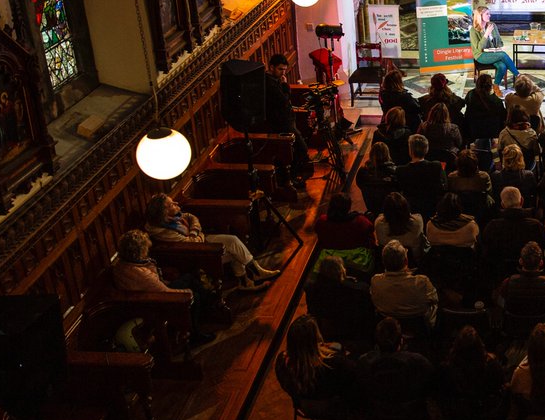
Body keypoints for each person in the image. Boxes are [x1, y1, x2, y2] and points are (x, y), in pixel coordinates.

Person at [145, 193, 280, 291]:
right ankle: (247, 280)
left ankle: (253, 274)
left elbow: (192, 217)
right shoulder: (163, 231)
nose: (176, 204)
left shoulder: (176, 218)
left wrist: (194, 230)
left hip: (202, 239)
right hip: (196, 254)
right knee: (235, 251)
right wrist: (195, 232)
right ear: (164, 212)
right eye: (172, 204)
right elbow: (191, 244)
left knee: (232, 241)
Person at [112, 229, 216, 345]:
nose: (147, 251)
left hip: (148, 294)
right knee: (194, 296)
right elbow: (166, 292)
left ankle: (208, 305)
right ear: (139, 251)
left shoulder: (120, 264)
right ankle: (195, 334)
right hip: (154, 303)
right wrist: (188, 293)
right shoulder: (141, 274)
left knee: (189, 278)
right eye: (146, 249)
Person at [432, 325, 510, 420]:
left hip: (457, 419)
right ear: (480, 345)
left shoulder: (446, 369)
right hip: (489, 418)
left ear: (456, 346)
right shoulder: (492, 366)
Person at [274, 315, 355, 405]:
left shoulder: (282, 363)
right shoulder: (332, 363)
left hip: (305, 406)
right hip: (334, 406)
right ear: (314, 341)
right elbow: (354, 376)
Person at [356, 317, 434, 401]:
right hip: (409, 407)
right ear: (401, 341)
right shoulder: (418, 361)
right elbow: (430, 378)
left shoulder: (364, 362)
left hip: (376, 407)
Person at [480, 187, 545, 282]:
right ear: (521, 201)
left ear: (502, 205)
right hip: (531, 275)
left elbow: (486, 252)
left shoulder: (492, 227)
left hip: (500, 274)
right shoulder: (536, 226)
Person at [303, 255, 373, 345]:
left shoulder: (311, 289)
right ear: (341, 271)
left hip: (324, 332)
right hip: (348, 332)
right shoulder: (356, 291)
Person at [262, 53, 309, 186]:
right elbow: (283, 100)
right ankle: (291, 178)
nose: (283, 72)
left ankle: (294, 176)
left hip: (287, 119)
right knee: (300, 148)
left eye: (284, 69)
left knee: (296, 148)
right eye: (280, 69)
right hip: (280, 123)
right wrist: (285, 85)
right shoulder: (269, 83)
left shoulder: (274, 80)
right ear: (272, 67)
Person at [369, 241, 439, 328]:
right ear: (406, 261)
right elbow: (435, 300)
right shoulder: (422, 282)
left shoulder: (375, 281)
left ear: (383, 262)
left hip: (388, 326)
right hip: (419, 327)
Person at [314, 193, 379, 274]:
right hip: (358, 263)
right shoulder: (360, 222)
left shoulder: (322, 221)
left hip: (329, 263)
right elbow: (371, 238)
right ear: (348, 207)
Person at [496, 242, 545, 314]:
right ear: (541, 262)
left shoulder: (507, 283)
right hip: (542, 323)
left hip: (514, 323)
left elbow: (500, 304)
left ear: (521, 261)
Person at [394, 134, 446, 219]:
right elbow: (443, 187)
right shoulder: (436, 166)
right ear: (426, 149)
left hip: (411, 211)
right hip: (432, 209)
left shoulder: (401, 170)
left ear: (410, 151)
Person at [470, 5, 519, 85]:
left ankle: (496, 87)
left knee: (502, 67)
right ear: (480, 16)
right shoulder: (473, 30)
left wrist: (498, 47)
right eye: (487, 14)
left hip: (493, 53)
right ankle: (518, 75)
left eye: (489, 13)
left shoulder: (492, 25)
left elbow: (499, 42)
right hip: (481, 55)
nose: (490, 15)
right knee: (503, 55)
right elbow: (479, 49)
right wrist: (486, 34)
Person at [374, 192, 426, 264]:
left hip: (388, 264)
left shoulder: (379, 223)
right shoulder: (417, 222)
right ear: (406, 208)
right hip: (414, 262)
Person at [491, 144, 538, 209]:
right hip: (524, 213)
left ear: (504, 159)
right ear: (521, 159)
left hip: (502, 213)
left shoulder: (495, 176)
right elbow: (534, 197)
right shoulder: (528, 176)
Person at [357, 141, 399, 213]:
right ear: (387, 154)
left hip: (372, 206)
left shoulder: (363, 171)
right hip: (391, 208)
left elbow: (359, 184)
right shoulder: (394, 171)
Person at [464, 72, 507, 139]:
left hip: (474, 130)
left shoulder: (470, 95)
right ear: (490, 87)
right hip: (493, 132)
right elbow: (503, 116)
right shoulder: (496, 101)